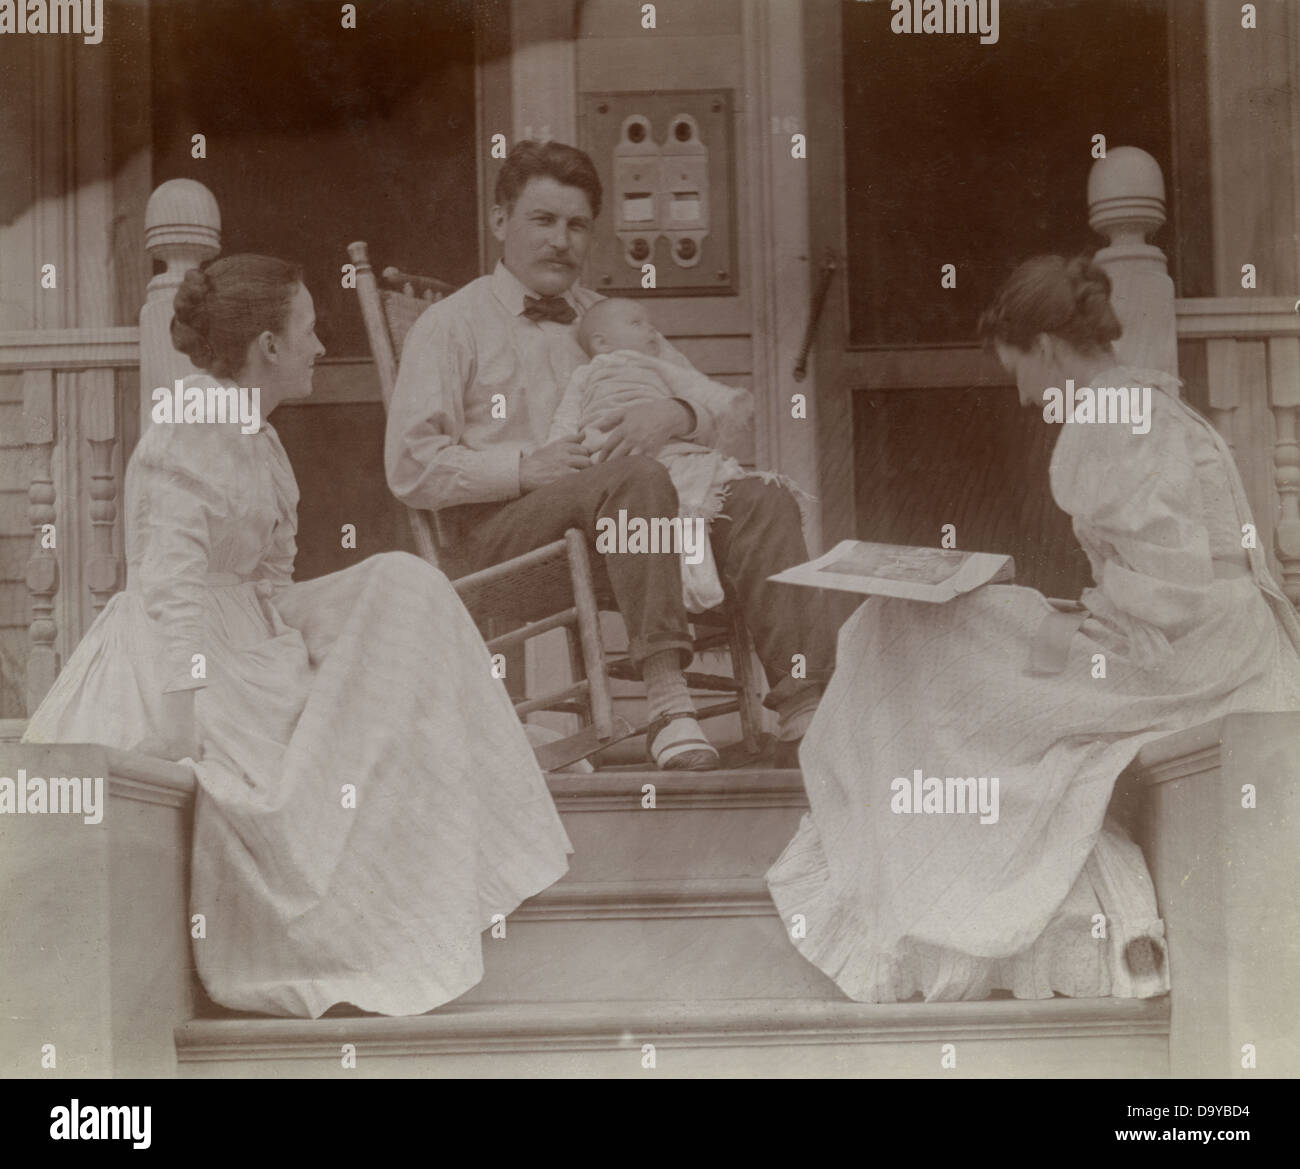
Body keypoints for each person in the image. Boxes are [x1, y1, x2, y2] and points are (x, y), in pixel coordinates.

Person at [23, 255, 573, 1019]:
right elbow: (170, 585)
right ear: (267, 346)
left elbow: (274, 586)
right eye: (308, 331)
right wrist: (183, 726)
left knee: (406, 585)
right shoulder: (194, 422)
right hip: (181, 657)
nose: (320, 347)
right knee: (294, 785)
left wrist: (366, 606)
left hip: (251, 641)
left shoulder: (264, 442)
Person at [766, 255, 1300, 1003]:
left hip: (1188, 657)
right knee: (955, 625)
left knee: (904, 634)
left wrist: (1081, 620)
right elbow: (1162, 572)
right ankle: (917, 848)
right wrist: (1074, 612)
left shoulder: (1112, 419)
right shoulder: (1141, 403)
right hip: (1194, 640)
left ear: (1049, 348)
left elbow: (1171, 590)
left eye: (1019, 368)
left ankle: (917, 876)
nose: (1021, 392)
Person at [385, 140, 834, 771]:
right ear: (499, 222)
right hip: (503, 546)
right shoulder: (452, 325)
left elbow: (719, 408)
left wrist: (674, 414)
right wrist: (521, 469)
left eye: (576, 226)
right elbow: (410, 466)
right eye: (542, 220)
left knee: (763, 498)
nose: (560, 241)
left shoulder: (608, 319)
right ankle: (667, 701)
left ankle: (804, 705)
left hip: (622, 533)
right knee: (635, 477)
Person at [552, 296, 812, 614]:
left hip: (669, 451)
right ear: (601, 343)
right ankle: (687, 592)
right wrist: (558, 450)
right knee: (656, 500)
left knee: (693, 503)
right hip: (605, 460)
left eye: (650, 324)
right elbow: (565, 420)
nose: (651, 331)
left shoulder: (655, 362)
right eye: (638, 324)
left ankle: (700, 582)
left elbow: (695, 389)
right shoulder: (583, 375)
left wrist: (706, 406)